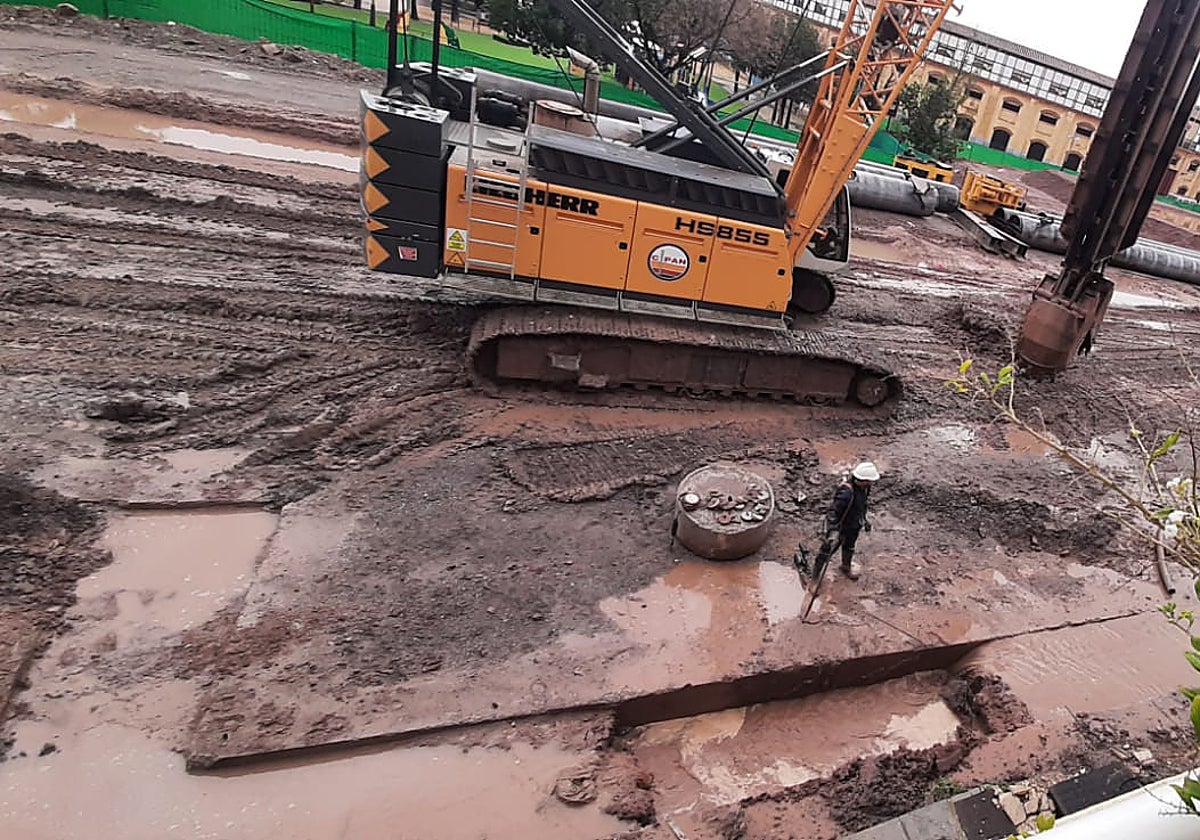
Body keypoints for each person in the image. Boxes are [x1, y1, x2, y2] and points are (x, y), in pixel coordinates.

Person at [804, 461, 881, 581]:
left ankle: (846, 567)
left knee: (849, 547)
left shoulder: (865, 488)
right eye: (870, 480)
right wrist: (833, 531)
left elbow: (862, 505)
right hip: (841, 528)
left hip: (853, 526)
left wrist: (864, 519)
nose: (872, 483)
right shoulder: (847, 493)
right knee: (826, 552)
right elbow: (833, 512)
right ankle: (814, 579)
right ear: (863, 480)